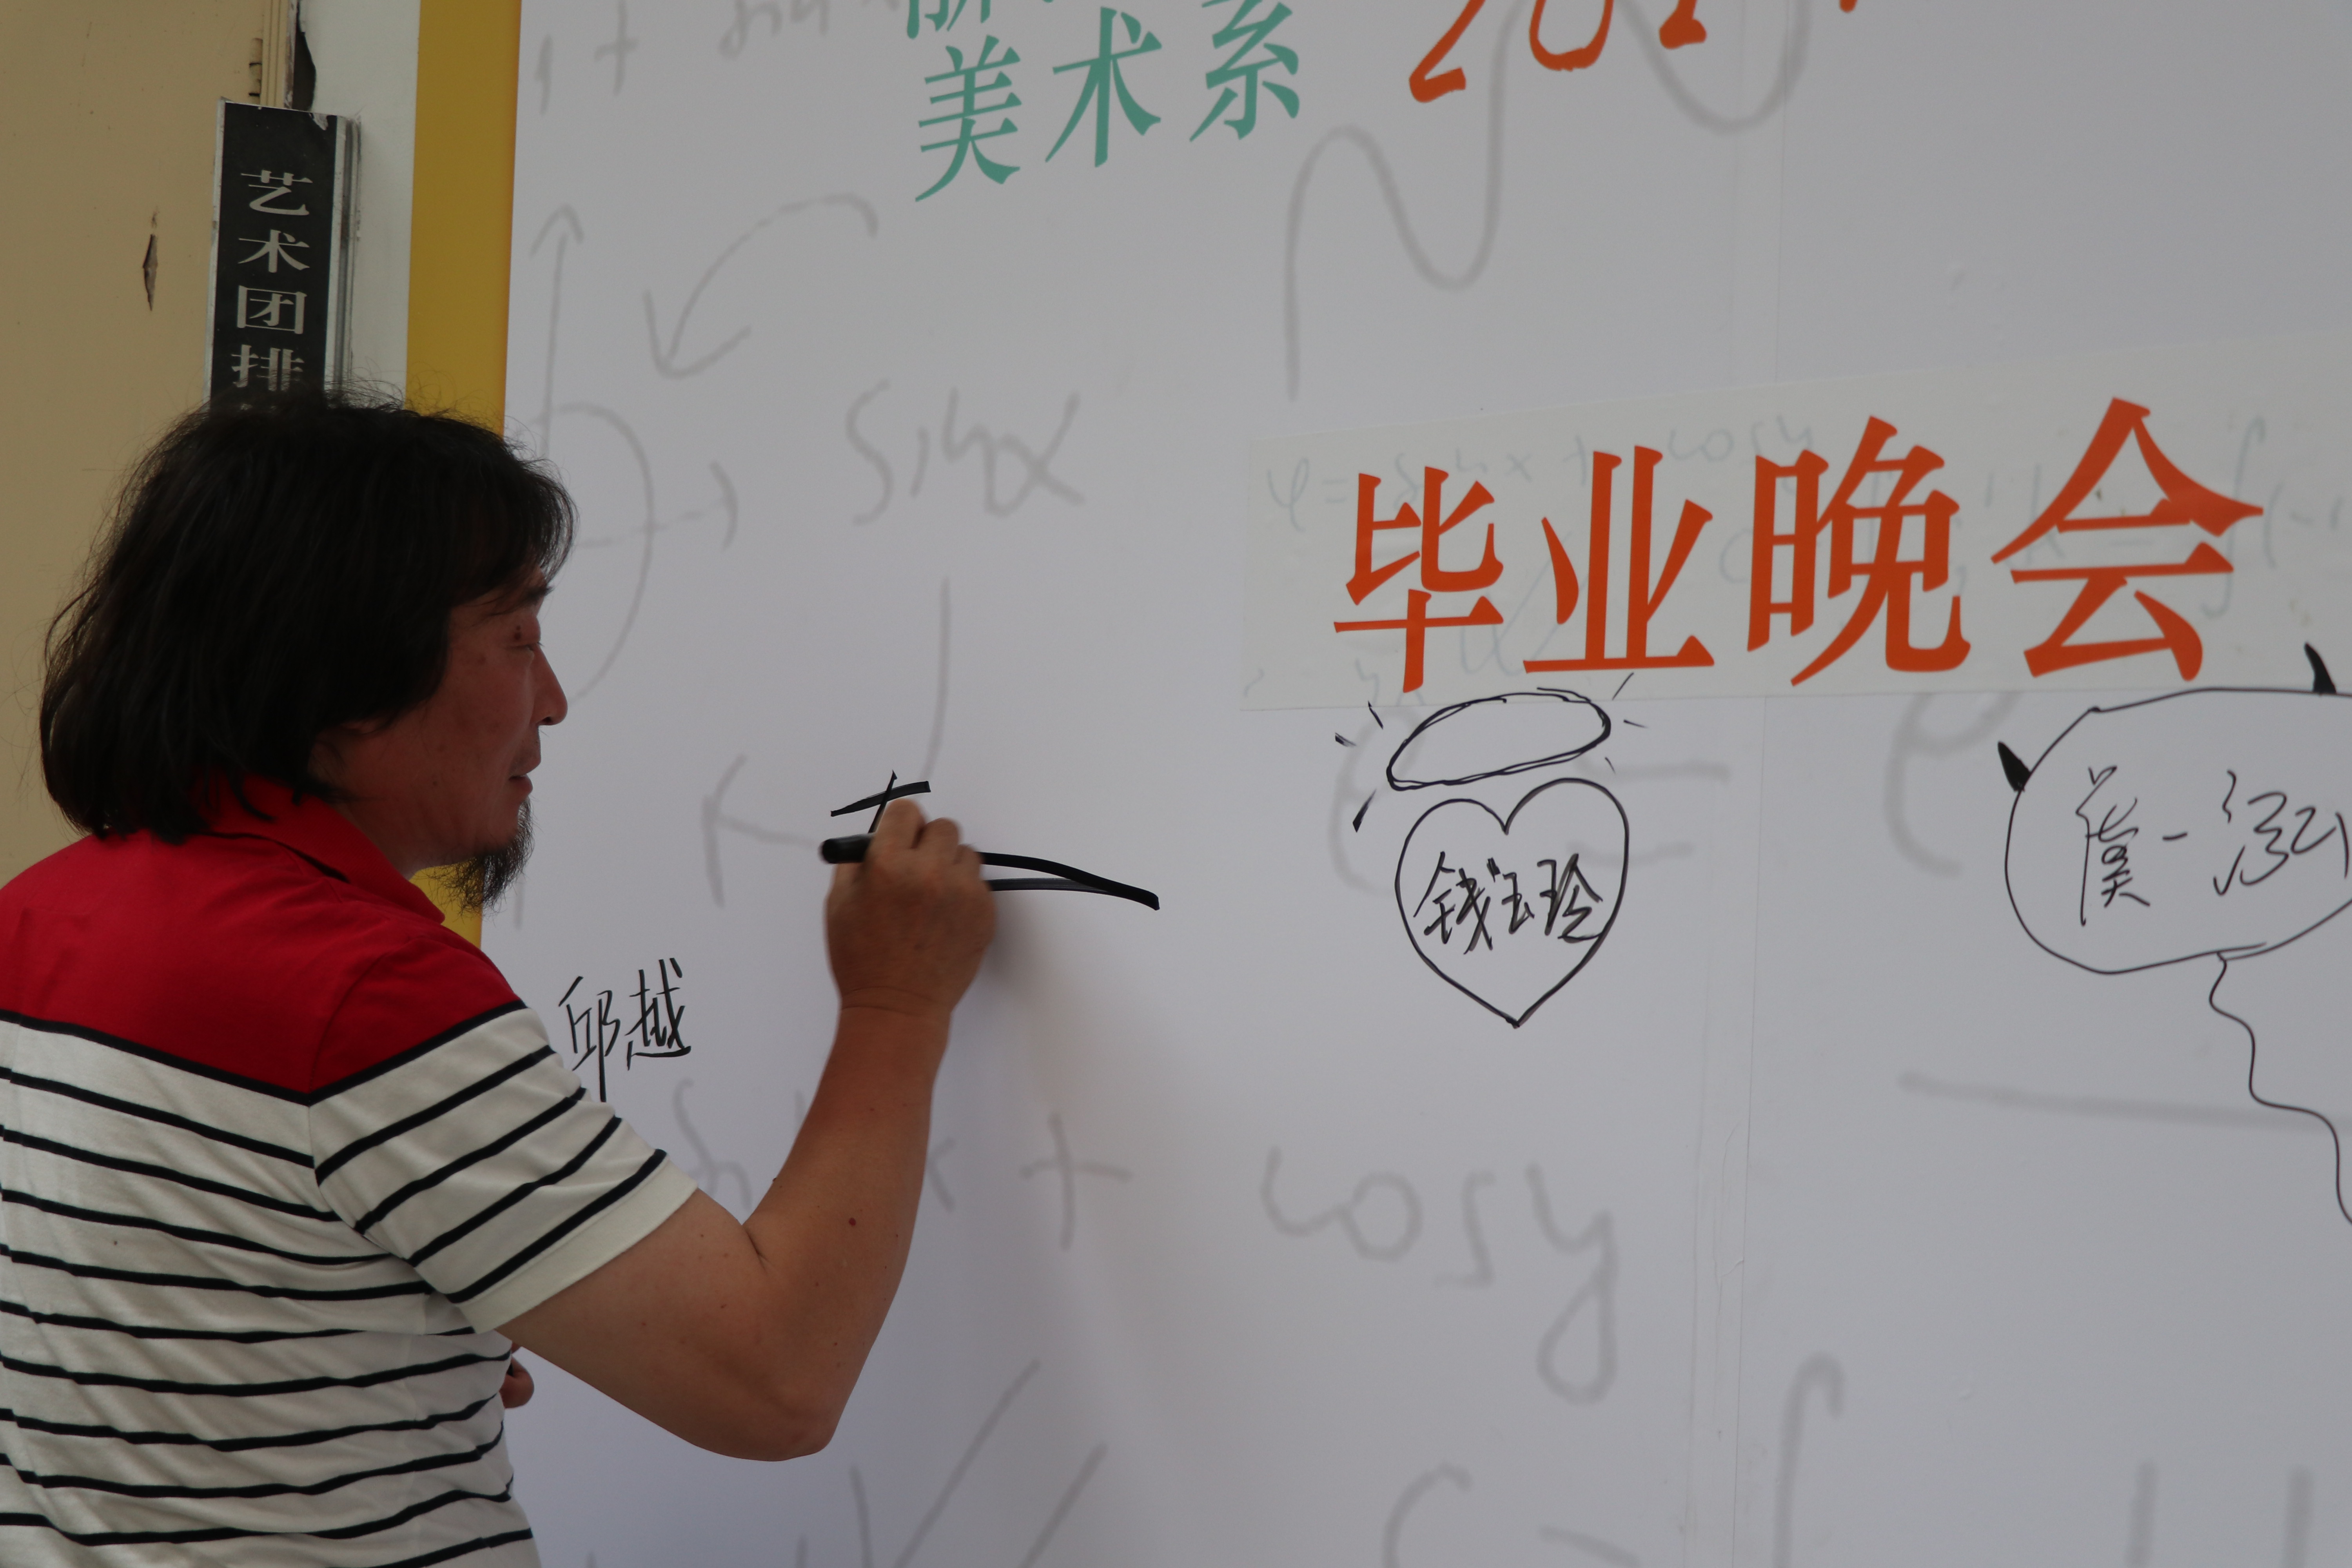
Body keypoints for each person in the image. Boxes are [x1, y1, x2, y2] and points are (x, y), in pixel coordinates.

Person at [0, 392, 996, 1566]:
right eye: (518, 637)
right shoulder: (358, 995)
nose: (555, 700)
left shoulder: (35, 916)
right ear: (343, 680)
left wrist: (388, 1335)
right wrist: (895, 1005)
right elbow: (777, 1378)